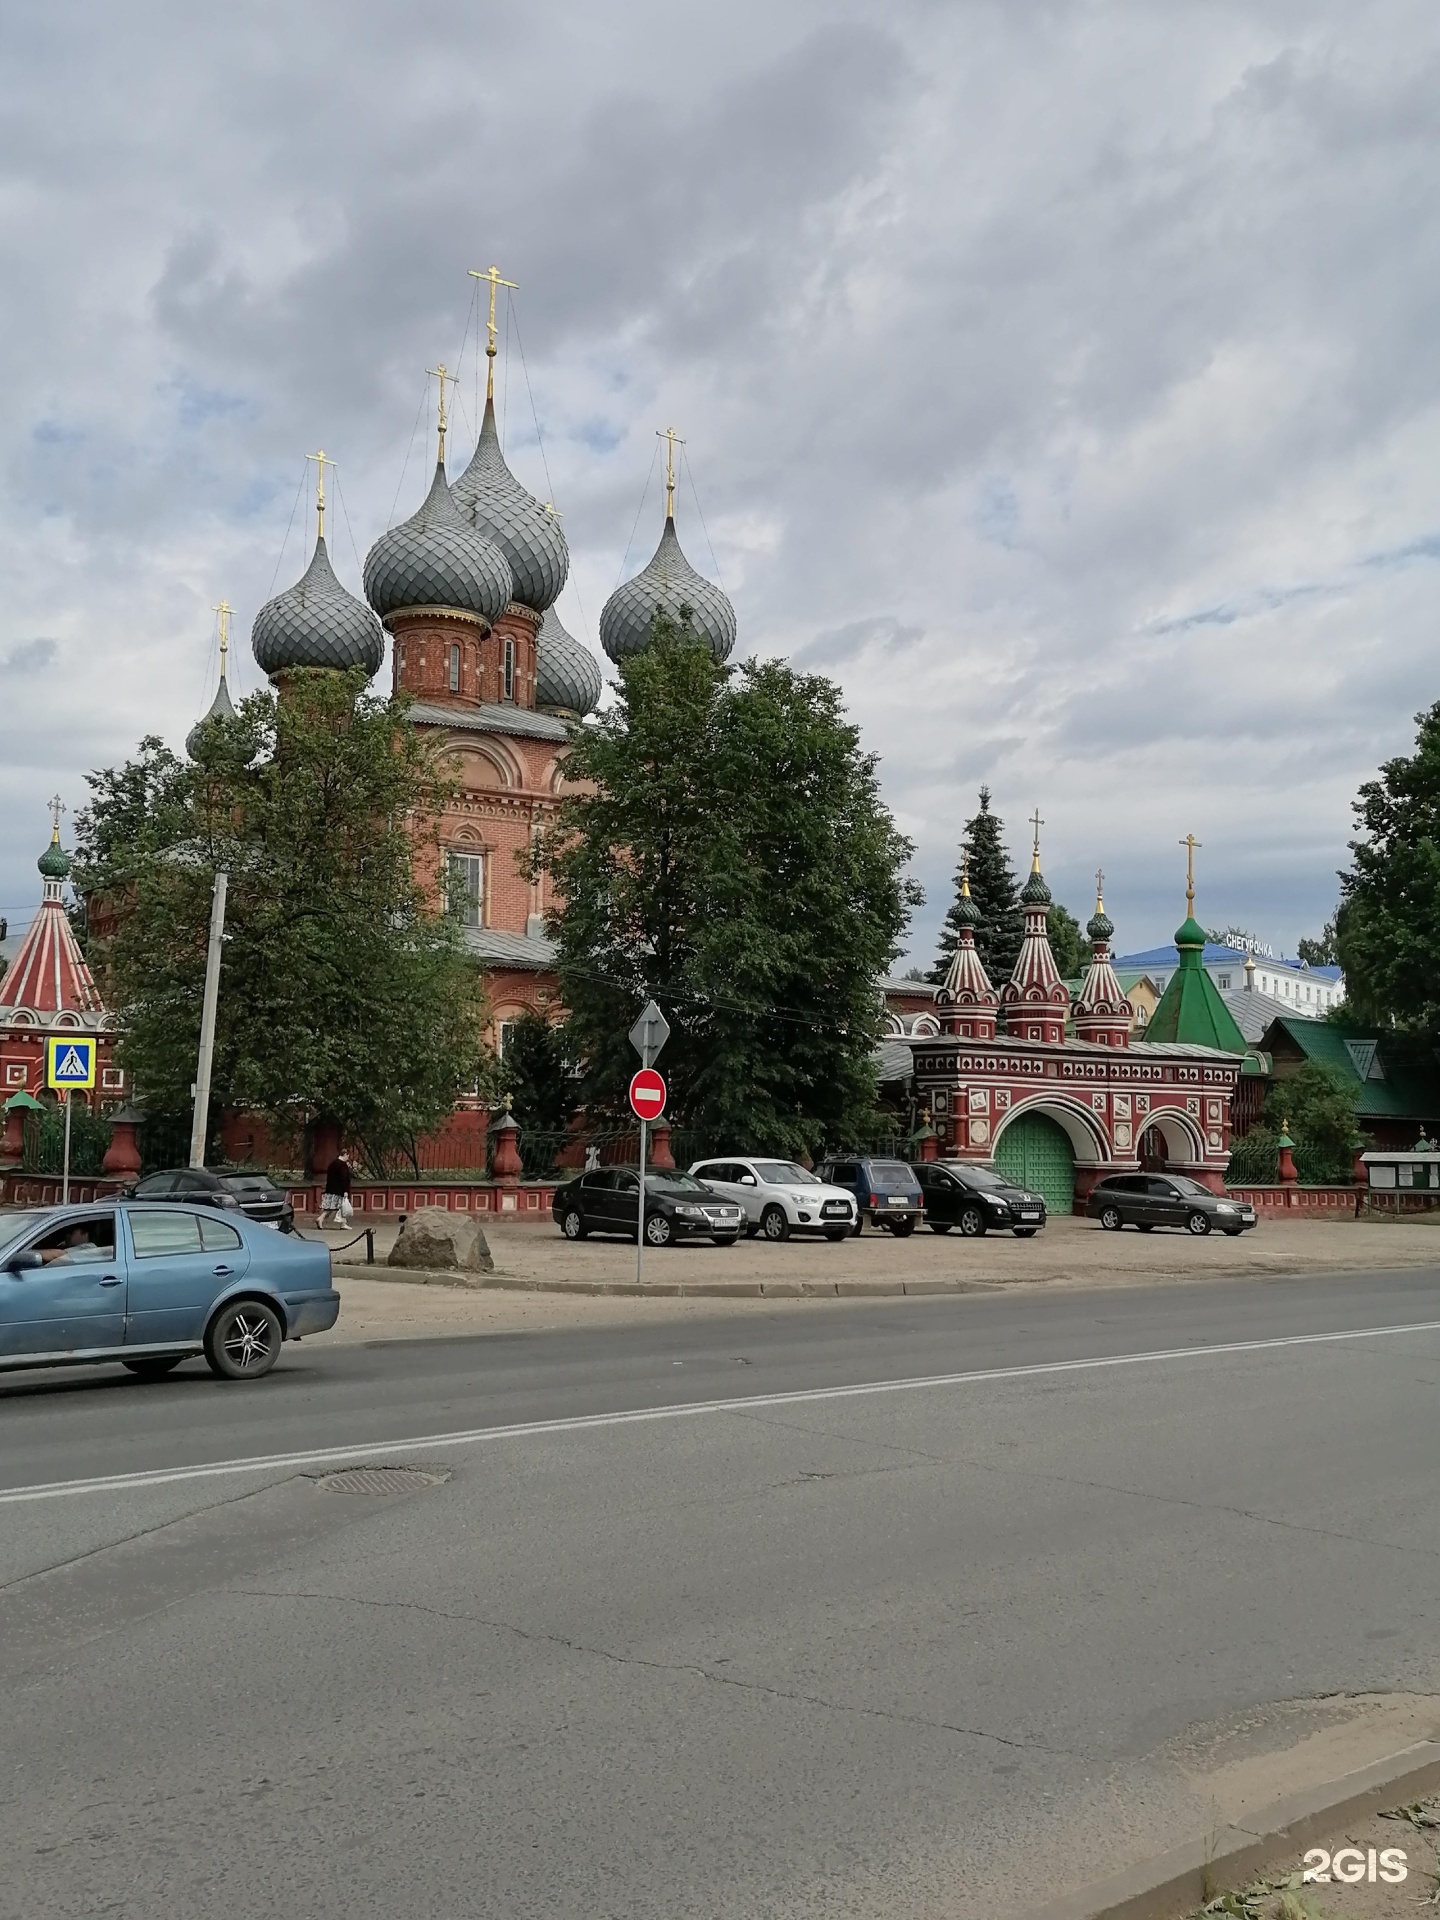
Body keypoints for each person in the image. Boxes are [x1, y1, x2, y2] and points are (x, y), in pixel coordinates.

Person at [318, 1153, 353, 1230]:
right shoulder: (342, 1165)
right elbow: (344, 1178)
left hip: (330, 1189)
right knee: (342, 1206)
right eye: (348, 1156)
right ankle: (321, 1218)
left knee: (333, 1207)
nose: (348, 1158)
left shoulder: (332, 1163)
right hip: (339, 1190)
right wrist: (345, 1190)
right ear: (345, 1155)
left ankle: (343, 1223)